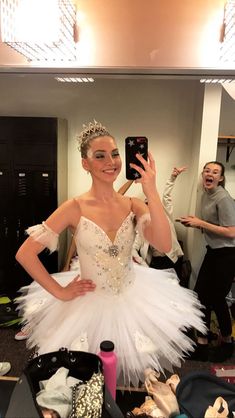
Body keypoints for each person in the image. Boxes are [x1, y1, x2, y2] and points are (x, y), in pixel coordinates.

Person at [15, 120, 205, 386]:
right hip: (87, 303)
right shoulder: (74, 207)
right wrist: (59, 292)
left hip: (132, 299)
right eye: (100, 155)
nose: (111, 161)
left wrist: (151, 189)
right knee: (84, 379)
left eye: (115, 153)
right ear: (86, 163)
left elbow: (163, 244)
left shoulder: (133, 204)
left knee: (125, 383)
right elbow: (25, 253)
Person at [177, 161, 235, 362]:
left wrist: (200, 223)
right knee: (200, 296)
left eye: (215, 172)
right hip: (213, 253)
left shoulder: (224, 198)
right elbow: (213, 225)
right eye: (207, 171)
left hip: (228, 255)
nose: (210, 174)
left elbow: (231, 231)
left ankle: (227, 341)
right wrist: (194, 223)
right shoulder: (205, 194)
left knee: (218, 299)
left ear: (221, 178)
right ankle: (202, 343)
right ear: (203, 175)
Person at [132, 166, 185, 280]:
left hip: (173, 258)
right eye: (146, 205)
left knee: (174, 288)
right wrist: (142, 264)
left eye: (151, 204)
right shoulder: (143, 227)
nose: (149, 207)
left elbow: (167, 196)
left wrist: (173, 177)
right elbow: (134, 247)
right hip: (156, 262)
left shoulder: (165, 215)